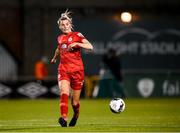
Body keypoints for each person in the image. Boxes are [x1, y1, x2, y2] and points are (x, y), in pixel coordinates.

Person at [51, 10, 93, 127]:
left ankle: (75, 115)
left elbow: (90, 46)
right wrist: (54, 58)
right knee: (64, 92)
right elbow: (59, 49)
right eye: (62, 25)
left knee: (74, 102)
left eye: (66, 24)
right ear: (59, 26)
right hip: (63, 69)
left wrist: (78, 44)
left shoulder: (77, 35)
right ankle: (63, 118)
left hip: (77, 71)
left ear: (70, 25)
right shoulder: (59, 38)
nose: (65, 26)